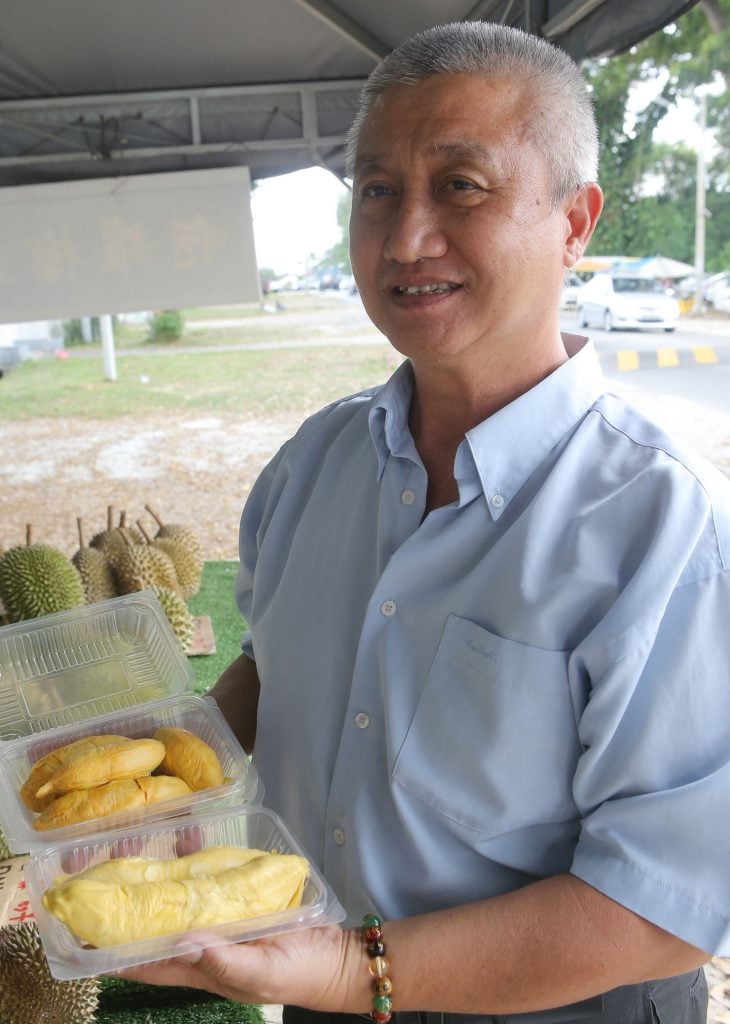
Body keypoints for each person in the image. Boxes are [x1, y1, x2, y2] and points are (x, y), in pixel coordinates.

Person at [124, 21, 730, 1023]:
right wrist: (151, 771)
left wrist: (345, 969)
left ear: (574, 221)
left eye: (461, 186)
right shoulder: (313, 464)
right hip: (319, 985)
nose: (406, 238)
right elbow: (273, 668)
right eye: (375, 191)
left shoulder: (656, 525)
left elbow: (663, 902)